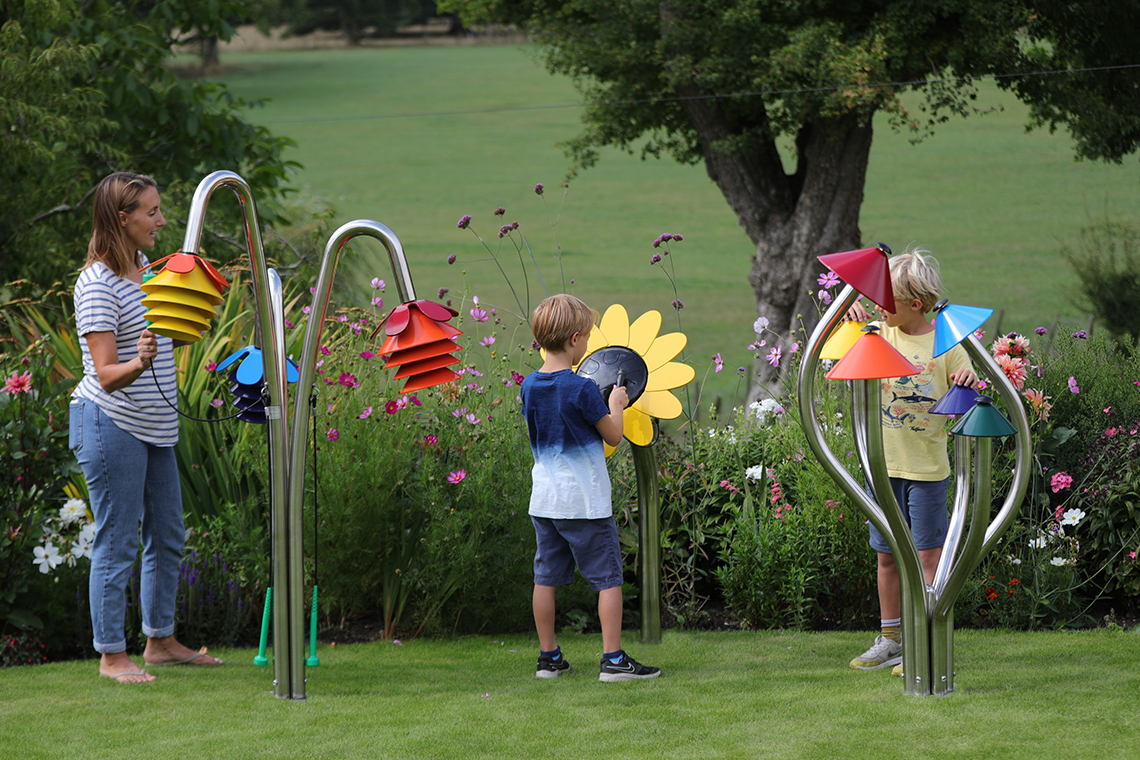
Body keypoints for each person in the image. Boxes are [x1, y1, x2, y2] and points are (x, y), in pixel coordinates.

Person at [69, 172, 222, 683]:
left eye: (160, 209)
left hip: (155, 424)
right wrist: (140, 361)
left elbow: (159, 336)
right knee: (118, 540)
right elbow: (108, 373)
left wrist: (188, 323)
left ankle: (160, 641)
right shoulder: (97, 283)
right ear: (122, 218)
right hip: (110, 420)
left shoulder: (146, 270)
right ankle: (113, 654)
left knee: (169, 533)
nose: (161, 220)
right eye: (151, 212)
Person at [844, 248, 977, 676]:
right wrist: (851, 326)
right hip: (883, 472)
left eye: (889, 301)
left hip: (926, 473)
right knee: (886, 557)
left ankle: (925, 637)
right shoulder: (880, 333)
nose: (882, 308)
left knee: (927, 561)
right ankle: (892, 640)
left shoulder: (945, 344)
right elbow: (850, 349)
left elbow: (967, 383)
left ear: (915, 304)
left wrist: (967, 379)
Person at [520, 294, 660, 682]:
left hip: (545, 500)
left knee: (544, 577)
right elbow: (613, 437)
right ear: (575, 339)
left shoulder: (530, 385)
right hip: (584, 502)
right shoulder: (581, 389)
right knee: (607, 578)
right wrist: (616, 401)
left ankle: (549, 658)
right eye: (587, 339)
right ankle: (613, 660)